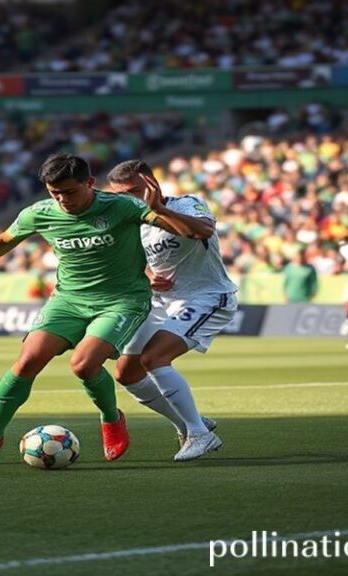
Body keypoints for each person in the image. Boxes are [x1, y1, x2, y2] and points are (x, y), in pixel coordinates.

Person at [0, 153, 212, 465]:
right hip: (67, 300)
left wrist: (159, 208)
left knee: (83, 364)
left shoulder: (124, 206)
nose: (62, 200)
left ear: (89, 183)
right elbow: (6, 239)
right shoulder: (39, 213)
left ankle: (112, 419)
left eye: (69, 192)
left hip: (122, 300)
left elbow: (195, 232)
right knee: (27, 362)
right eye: (53, 193)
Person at [107, 160, 234, 461]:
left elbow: (202, 231)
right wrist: (148, 275)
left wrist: (160, 211)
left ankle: (201, 435)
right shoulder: (132, 222)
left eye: (135, 191)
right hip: (159, 303)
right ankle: (190, 425)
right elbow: (132, 262)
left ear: (152, 182)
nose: (131, 200)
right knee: (126, 373)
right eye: (122, 195)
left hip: (206, 297)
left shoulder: (188, 204)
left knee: (154, 358)